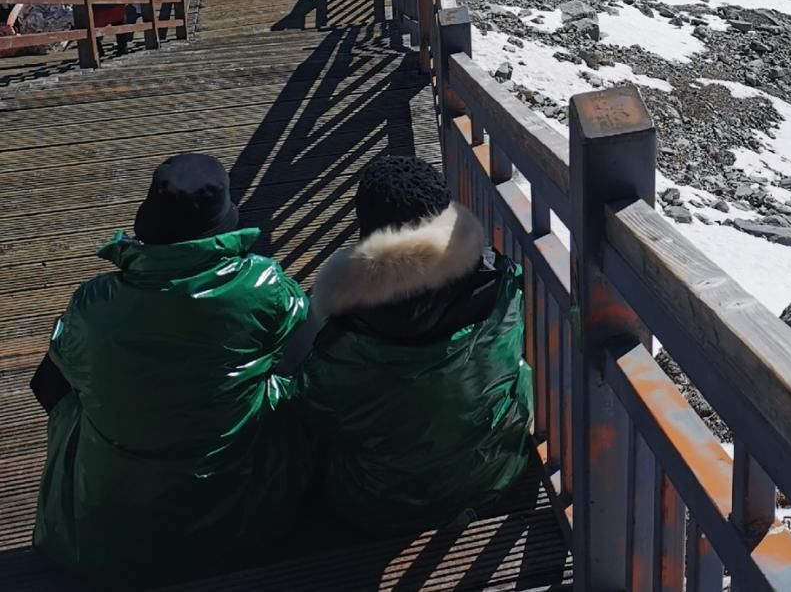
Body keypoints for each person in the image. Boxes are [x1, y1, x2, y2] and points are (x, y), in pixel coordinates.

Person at [31, 154, 309, 579]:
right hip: (243, 523)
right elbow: (304, 331)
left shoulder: (93, 302)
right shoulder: (264, 287)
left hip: (107, 533)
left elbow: (53, 378)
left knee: (67, 385)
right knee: (292, 362)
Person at [294, 155, 532, 537]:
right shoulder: (501, 284)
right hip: (494, 470)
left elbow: (313, 405)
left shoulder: (348, 335)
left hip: (381, 501)